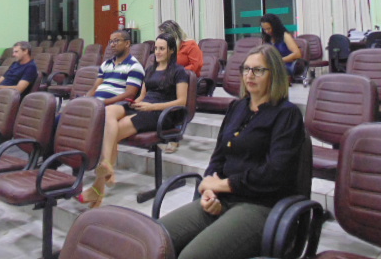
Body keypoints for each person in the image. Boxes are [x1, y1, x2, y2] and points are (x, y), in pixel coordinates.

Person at [159, 44, 304, 259]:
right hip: (222, 197)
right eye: (246, 69)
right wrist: (209, 189)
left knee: (192, 256)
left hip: (260, 205)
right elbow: (218, 156)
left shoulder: (287, 114)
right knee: (157, 238)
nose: (249, 75)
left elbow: (275, 173)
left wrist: (222, 185)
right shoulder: (237, 107)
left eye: (258, 70)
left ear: (274, 74)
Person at [77, 33, 189, 208]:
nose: (157, 52)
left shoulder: (179, 71)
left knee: (114, 130)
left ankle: (99, 185)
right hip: (144, 106)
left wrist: (151, 107)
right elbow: (143, 95)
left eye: (162, 49)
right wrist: (136, 103)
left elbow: (181, 101)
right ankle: (106, 168)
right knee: (109, 111)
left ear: (171, 51)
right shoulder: (150, 69)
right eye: (156, 48)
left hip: (162, 113)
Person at [158, 20, 203, 153]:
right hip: (170, 80)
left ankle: (174, 136)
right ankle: (161, 131)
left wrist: (176, 73)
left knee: (174, 98)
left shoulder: (190, 45)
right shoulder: (168, 47)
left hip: (187, 80)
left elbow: (196, 66)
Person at [86, 30, 145, 105]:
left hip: (113, 106)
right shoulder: (106, 64)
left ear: (127, 43)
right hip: (95, 104)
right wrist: (86, 100)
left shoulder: (135, 66)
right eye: (111, 42)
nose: (112, 45)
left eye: (116, 41)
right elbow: (95, 88)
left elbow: (130, 95)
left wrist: (103, 103)